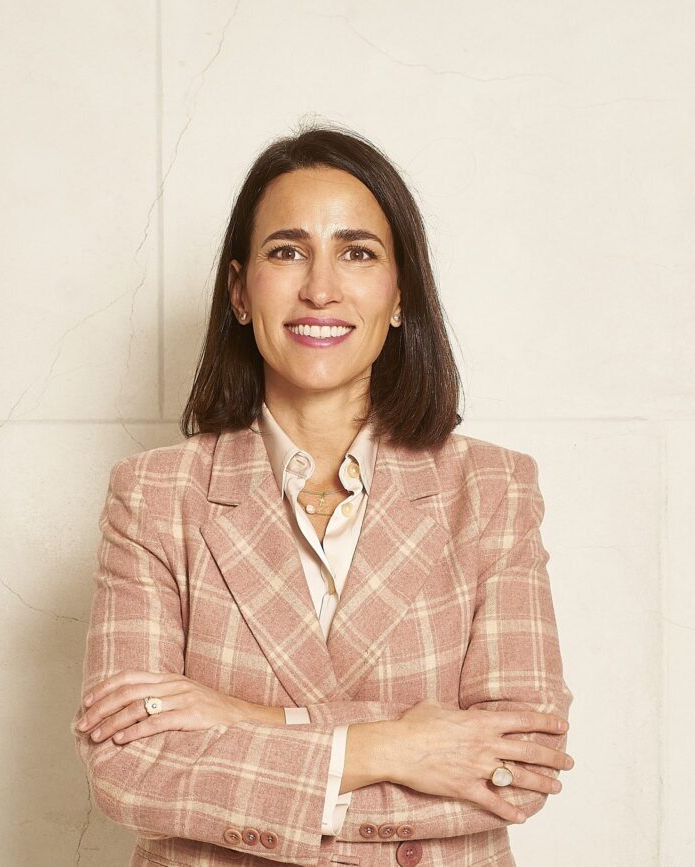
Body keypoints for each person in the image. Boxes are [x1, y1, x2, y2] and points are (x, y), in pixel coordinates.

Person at [71, 123, 574, 867]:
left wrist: (244, 718)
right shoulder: (155, 494)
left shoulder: (492, 489)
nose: (320, 288)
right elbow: (130, 768)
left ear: (400, 296)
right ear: (240, 292)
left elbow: (517, 761)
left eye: (357, 252)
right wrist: (393, 746)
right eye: (287, 251)